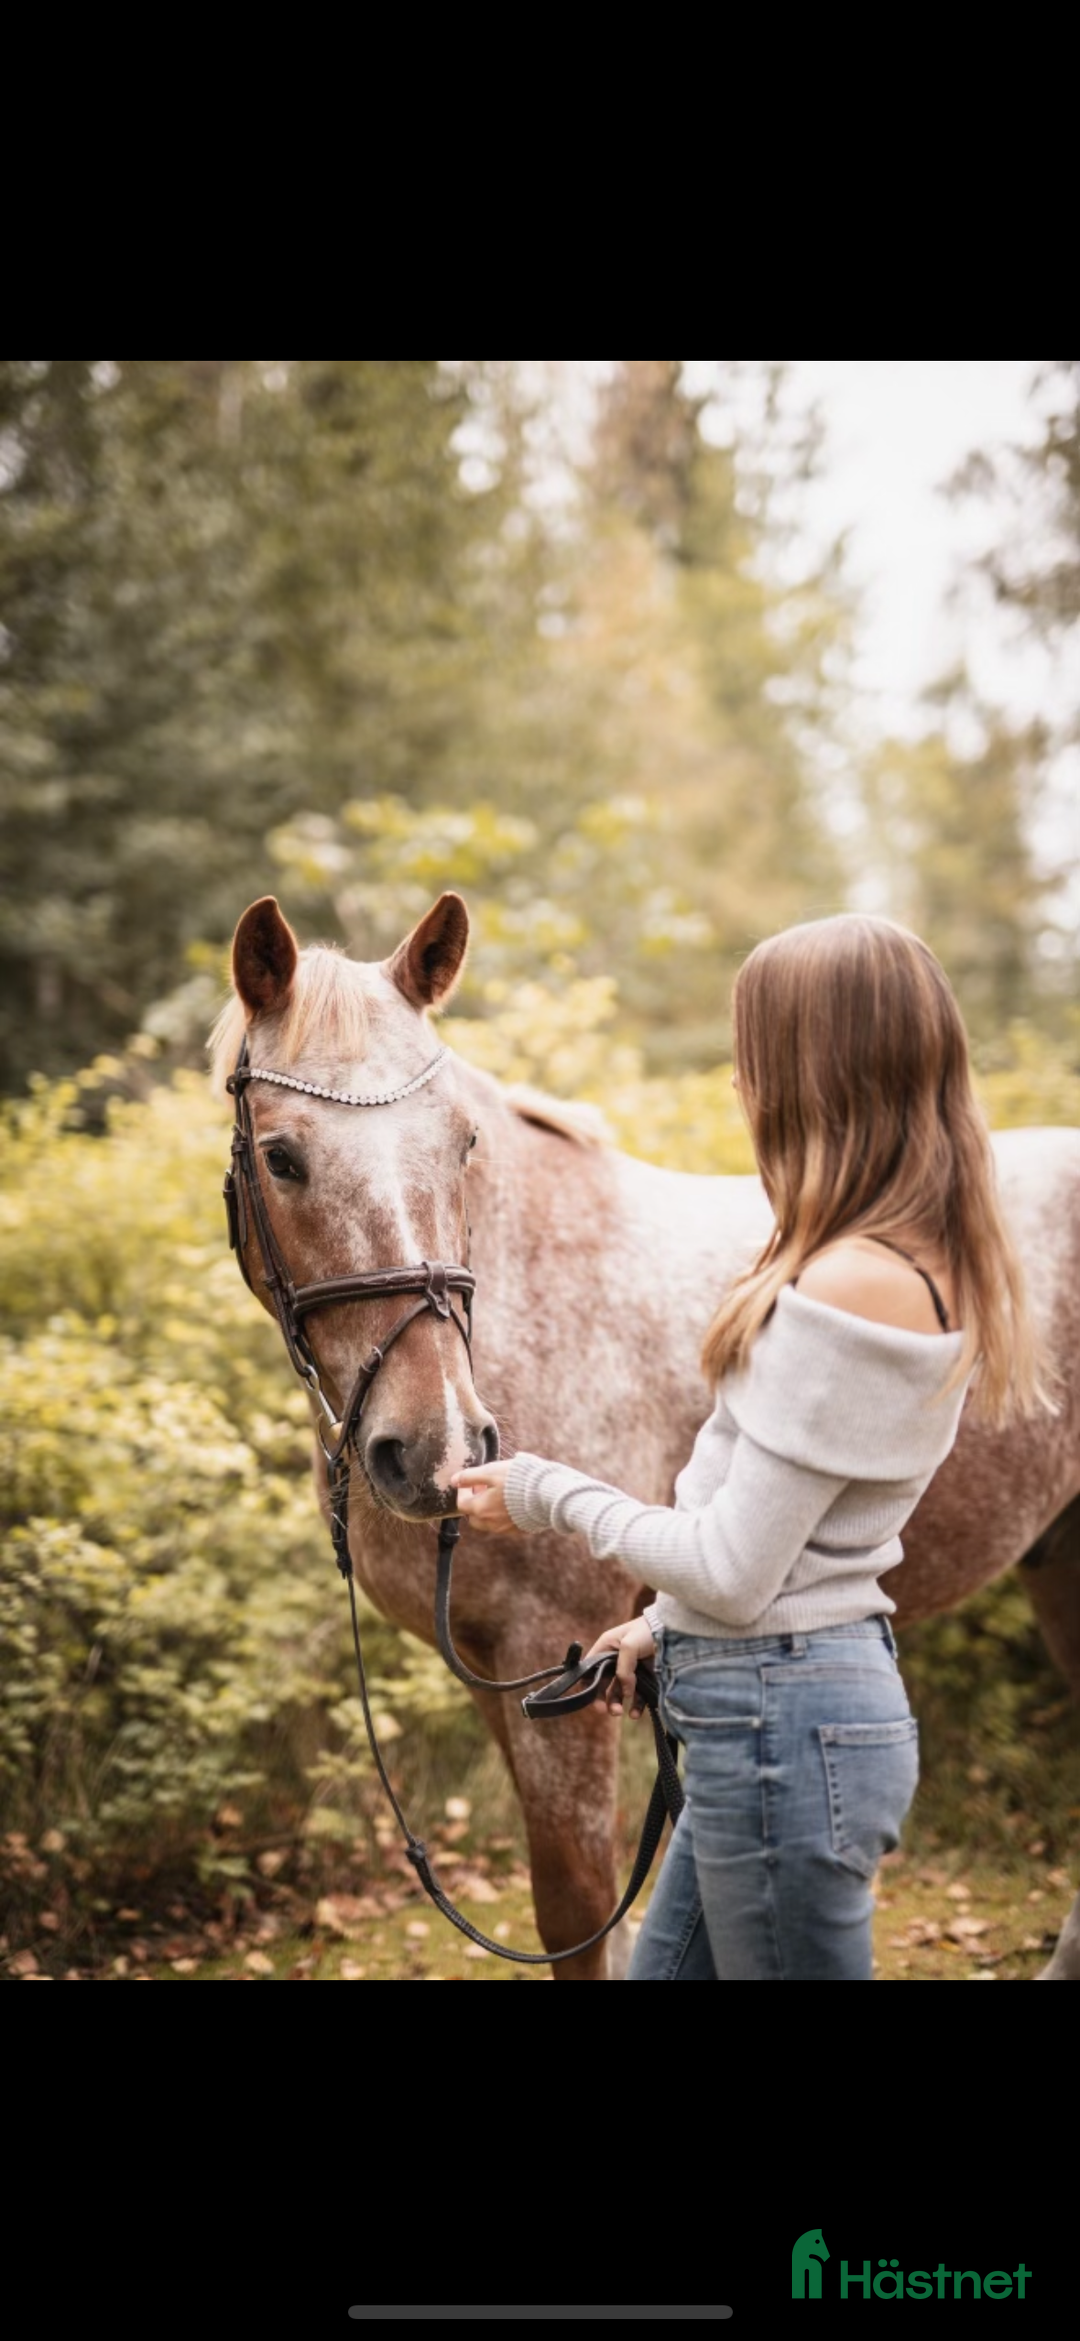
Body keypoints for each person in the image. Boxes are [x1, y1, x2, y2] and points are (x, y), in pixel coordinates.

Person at [451, 913, 1051, 1981]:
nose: (741, 1083)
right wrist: (655, 1630)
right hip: (761, 1717)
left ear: (822, 1072)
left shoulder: (850, 1283)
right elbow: (788, 1538)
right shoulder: (870, 1256)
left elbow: (734, 1570)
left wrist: (545, 1491)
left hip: (786, 1732)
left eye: (755, 1053)